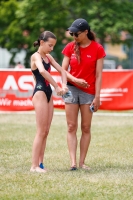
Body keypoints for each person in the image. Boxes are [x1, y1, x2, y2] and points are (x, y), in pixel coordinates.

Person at [62, 18, 106, 170]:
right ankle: (73, 163)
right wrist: (75, 80)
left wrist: (97, 97)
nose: (73, 36)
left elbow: (99, 75)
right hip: (72, 88)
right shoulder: (69, 47)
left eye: (76, 33)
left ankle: (82, 162)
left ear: (86, 32)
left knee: (86, 127)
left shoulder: (98, 48)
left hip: (89, 91)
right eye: (71, 33)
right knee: (71, 126)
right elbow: (63, 71)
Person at [30, 31, 68, 173]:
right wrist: (57, 86)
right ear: (41, 42)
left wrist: (63, 85)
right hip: (40, 92)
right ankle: (33, 166)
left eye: (53, 46)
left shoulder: (49, 57)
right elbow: (43, 72)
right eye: (50, 45)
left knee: (46, 131)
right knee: (40, 131)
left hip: (48, 94)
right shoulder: (36, 56)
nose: (52, 48)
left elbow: (63, 71)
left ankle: (40, 163)